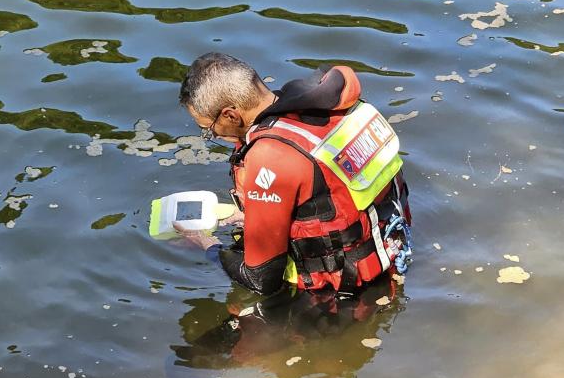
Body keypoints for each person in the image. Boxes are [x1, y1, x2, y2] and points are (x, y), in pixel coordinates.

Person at [174, 52, 413, 296]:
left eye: (208, 128)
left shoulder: (270, 154)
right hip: (390, 257)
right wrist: (251, 215)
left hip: (338, 297)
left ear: (230, 115)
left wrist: (207, 246)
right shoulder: (331, 107)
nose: (212, 136)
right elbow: (331, 191)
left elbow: (261, 280)